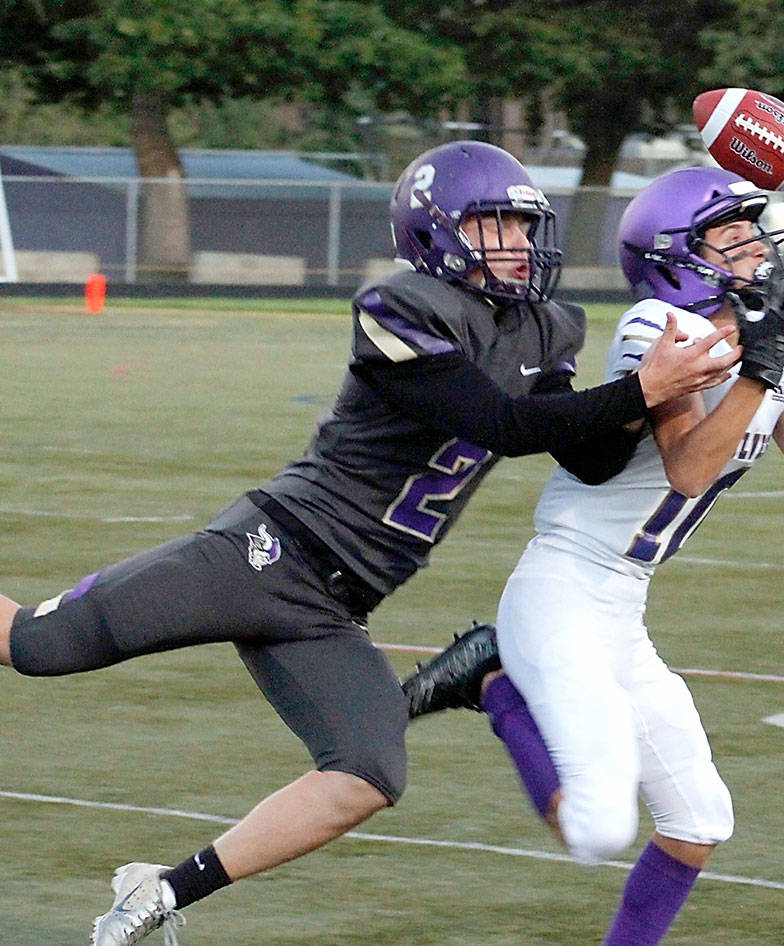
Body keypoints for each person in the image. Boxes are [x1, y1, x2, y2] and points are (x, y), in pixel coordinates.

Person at [0, 141, 743, 946]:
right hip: (264, 555)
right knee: (37, 644)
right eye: (495, 225)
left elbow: (588, 458)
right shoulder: (399, 307)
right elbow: (498, 423)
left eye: (526, 227)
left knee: (368, 775)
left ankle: (160, 891)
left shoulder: (543, 326)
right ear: (437, 233)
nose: (519, 245)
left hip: (335, 606)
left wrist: (662, 398)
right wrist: (638, 389)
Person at [402, 165, 784, 945]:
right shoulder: (658, 327)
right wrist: (759, 367)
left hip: (621, 604)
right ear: (678, 254)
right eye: (732, 234)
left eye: (753, 230)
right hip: (564, 587)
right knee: (598, 830)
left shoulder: (767, 343)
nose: (758, 247)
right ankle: (490, 681)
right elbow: (688, 466)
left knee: (701, 821)